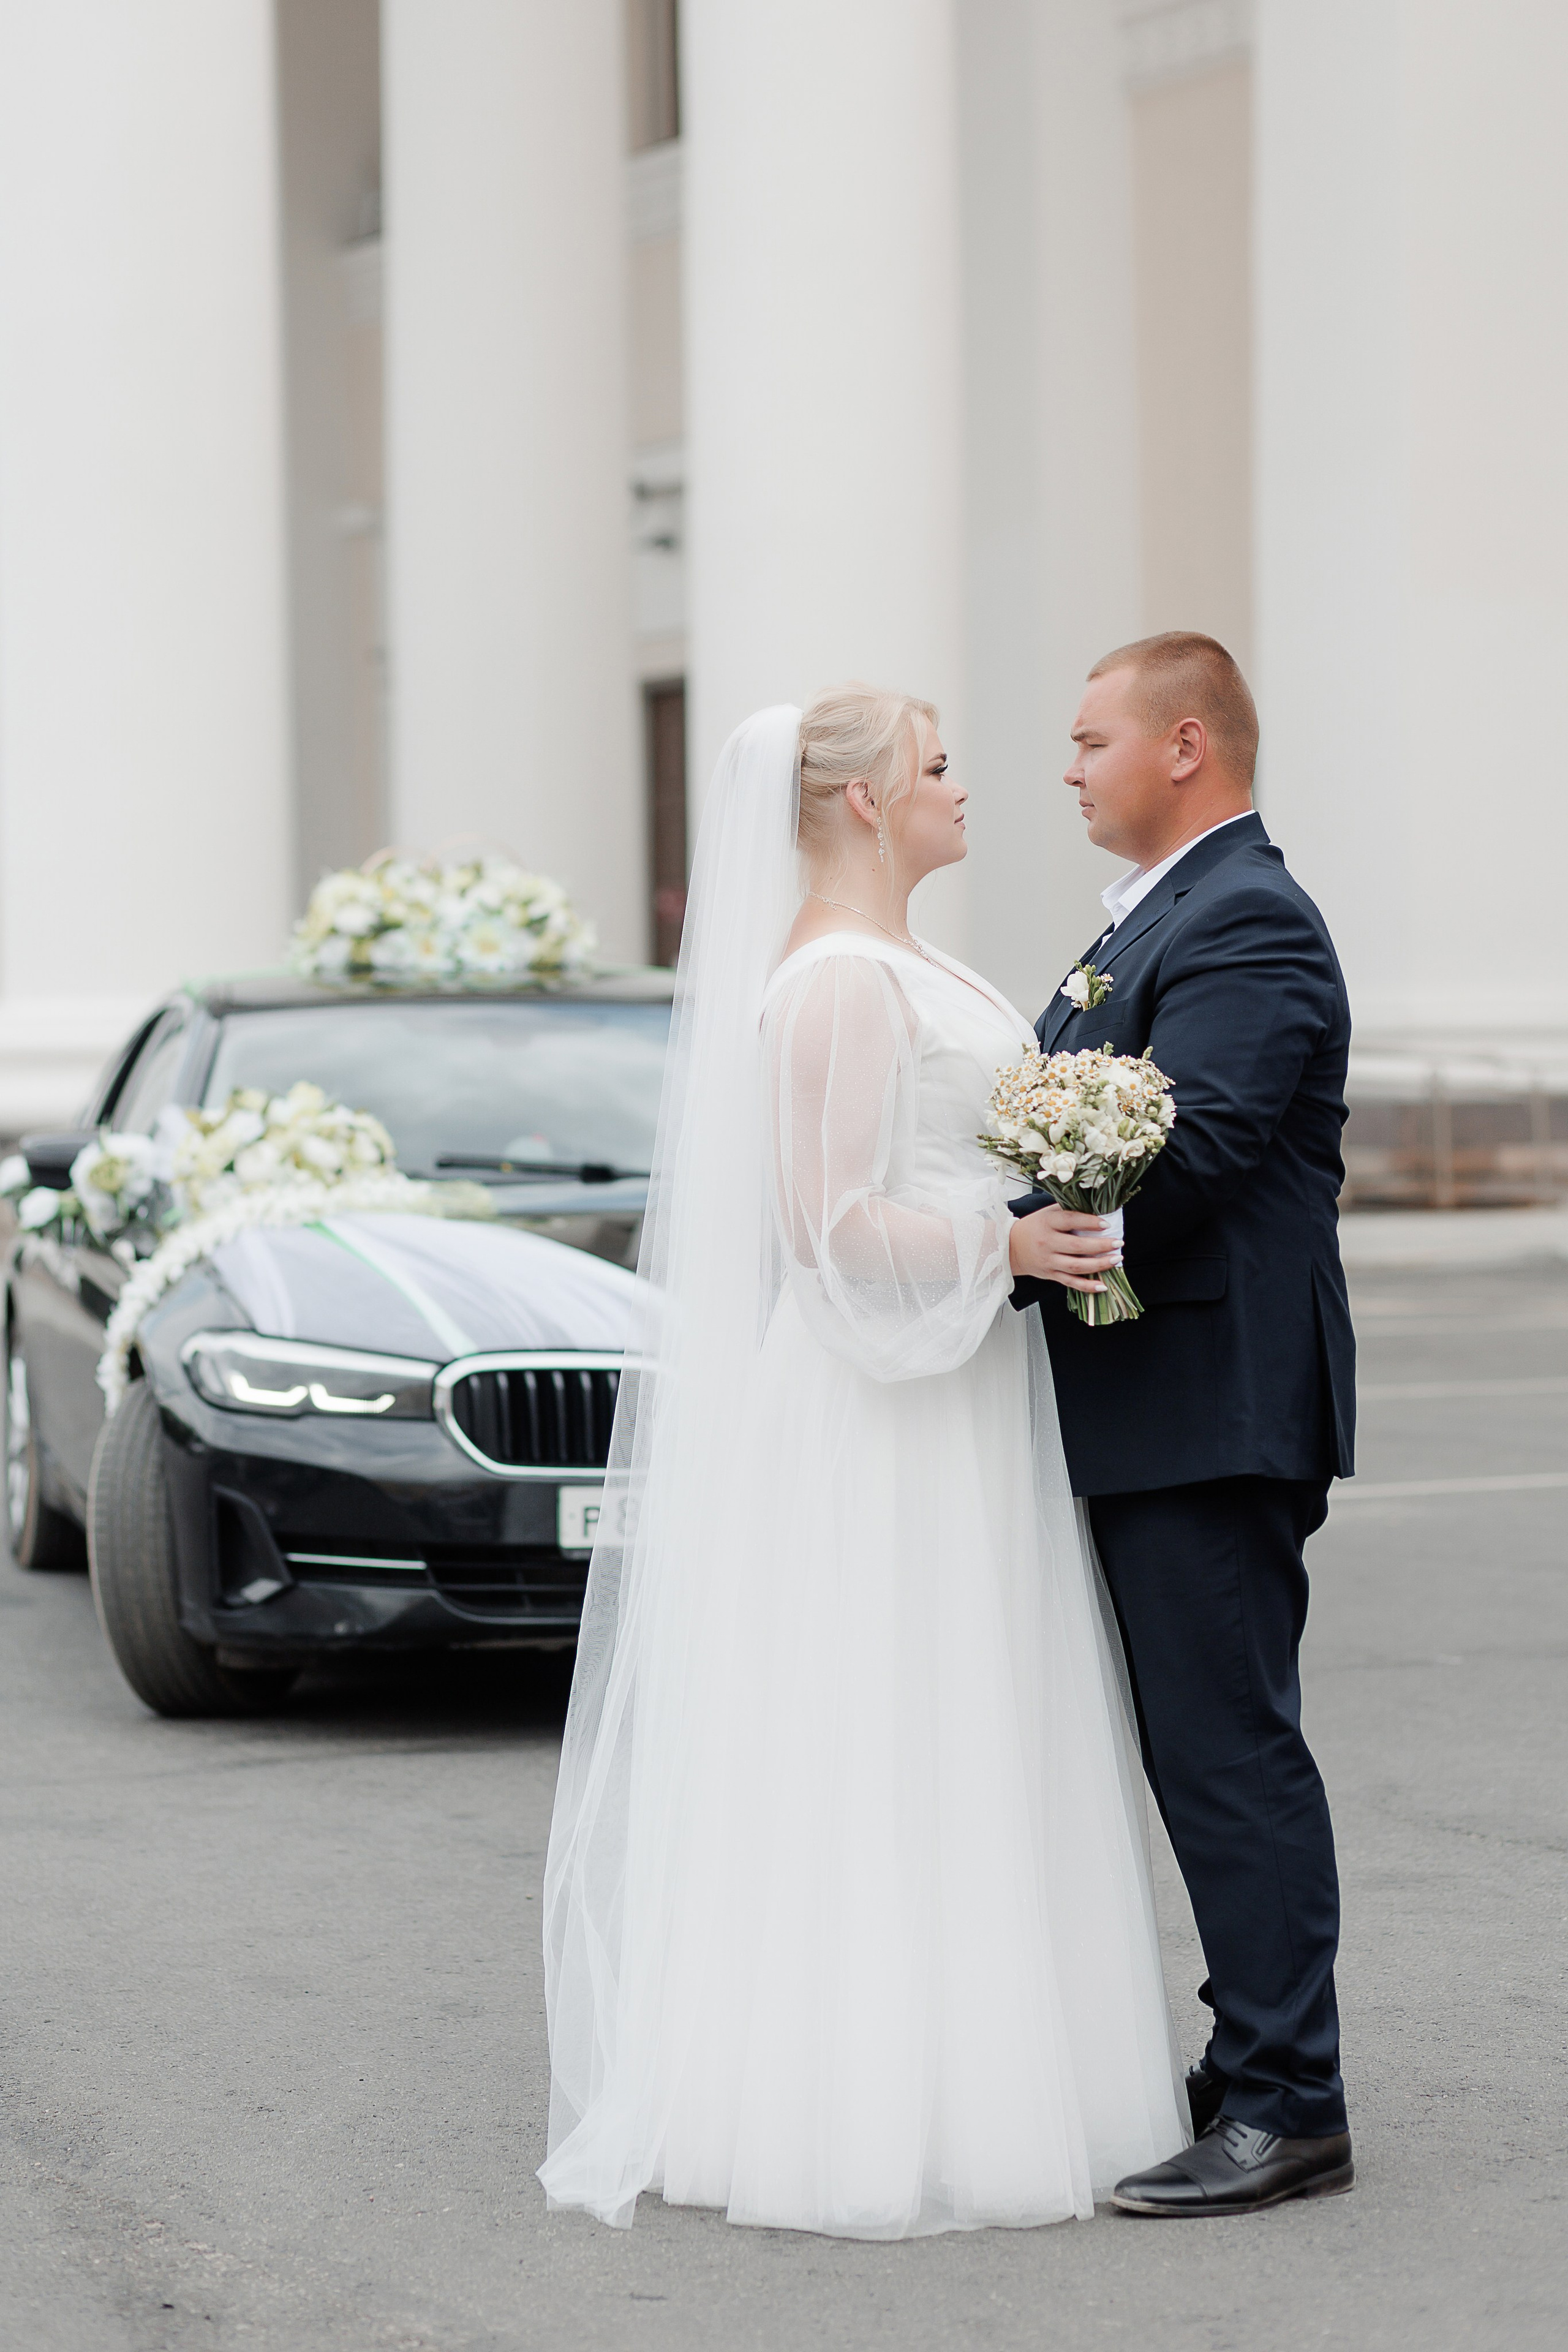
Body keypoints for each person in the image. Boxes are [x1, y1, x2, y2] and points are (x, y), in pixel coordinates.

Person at [538, 686, 1188, 2237]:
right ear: (857, 802)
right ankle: (851, 2107)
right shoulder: (832, 981)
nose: (967, 789)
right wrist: (1008, 1236)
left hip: (957, 1388)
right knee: (877, 1727)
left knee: (967, 1720)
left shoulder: (920, 962)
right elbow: (822, 1223)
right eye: (939, 769)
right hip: (873, 1408)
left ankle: (987, 2076)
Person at [1011, 632, 1356, 2217]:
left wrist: (1010, 1234)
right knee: (1192, 1747)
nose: (1068, 766)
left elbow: (1194, 1146)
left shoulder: (1249, 919)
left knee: (1227, 1753)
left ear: (1186, 746)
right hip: (1150, 1400)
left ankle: (1289, 2101)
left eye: (1091, 739)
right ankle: (1245, 2063)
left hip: (1211, 1405)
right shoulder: (1158, 922)